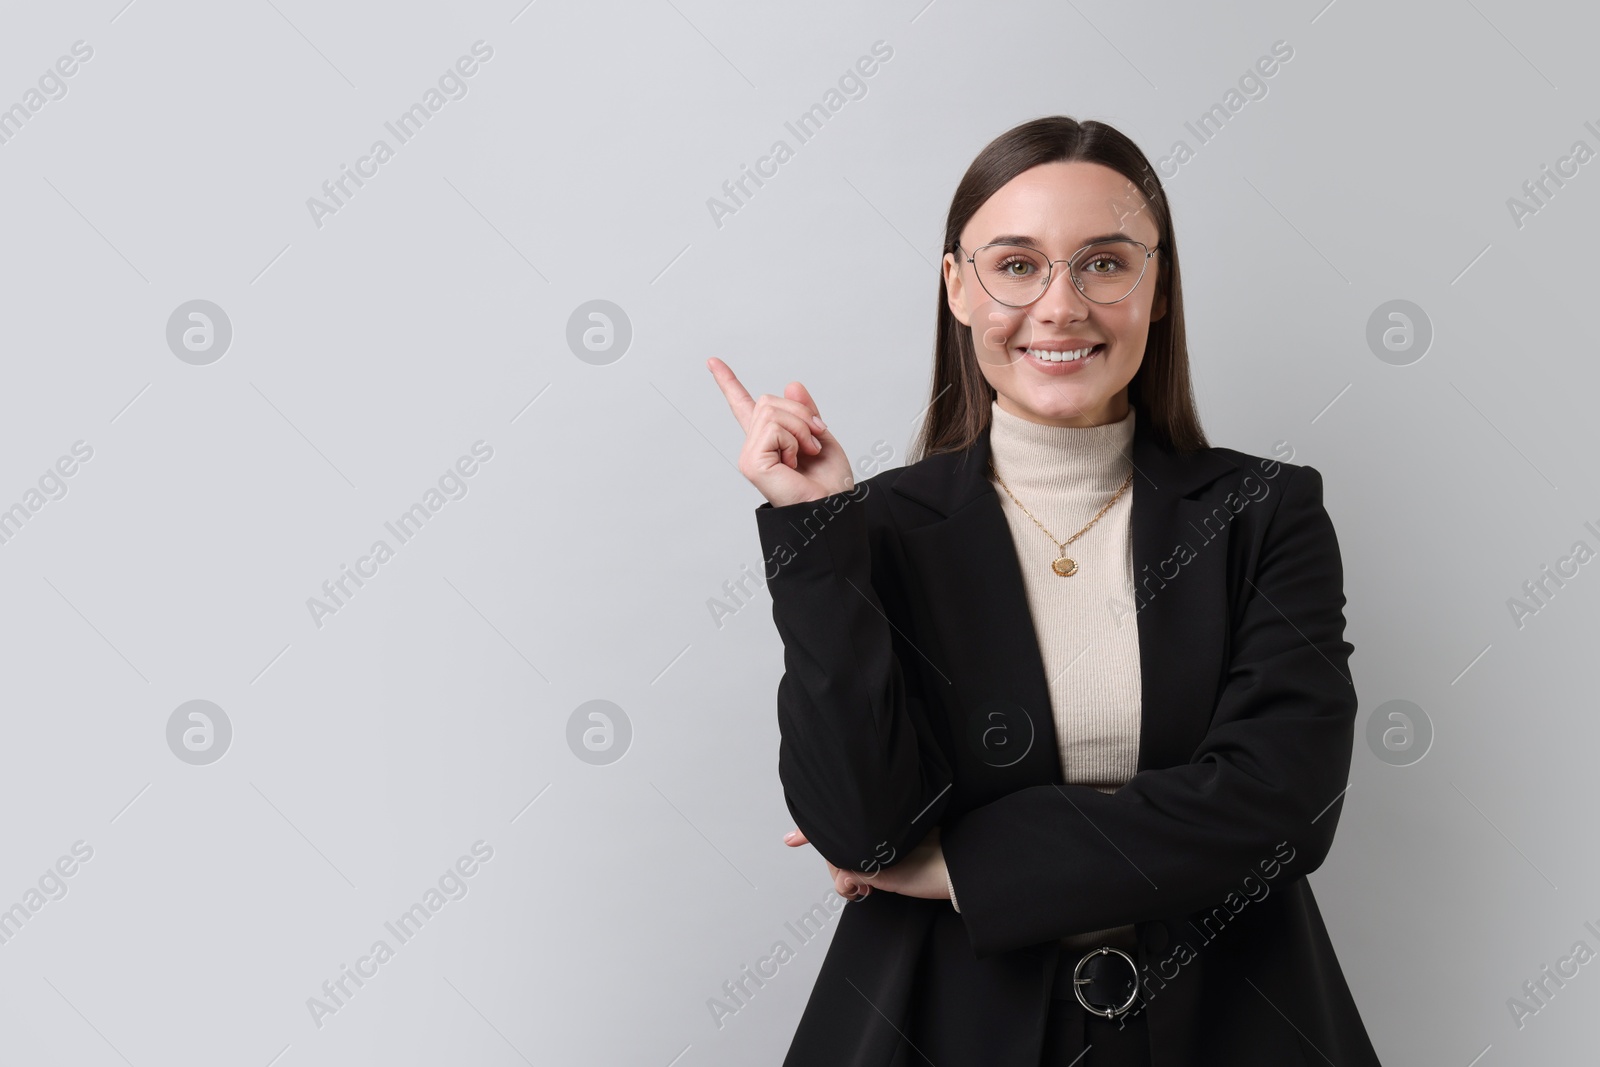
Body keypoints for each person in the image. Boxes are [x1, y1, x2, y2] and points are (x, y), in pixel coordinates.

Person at [707, 115, 1382, 1066]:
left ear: (1156, 288)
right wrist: (818, 534)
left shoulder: (1264, 512)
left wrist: (956, 864)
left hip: (1228, 1027)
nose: (1060, 305)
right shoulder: (883, 528)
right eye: (1016, 265)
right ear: (957, 287)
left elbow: (1283, 808)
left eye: (1104, 263)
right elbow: (862, 827)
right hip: (940, 1026)